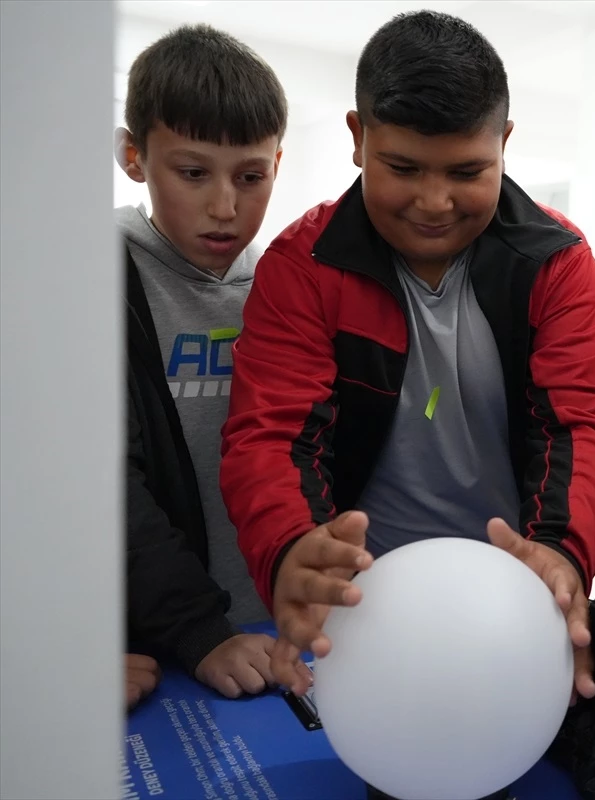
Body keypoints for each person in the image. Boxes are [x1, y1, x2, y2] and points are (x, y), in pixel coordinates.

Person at [220, 11, 595, 709]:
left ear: (505, 143)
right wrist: (291, 549)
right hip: (361, 612)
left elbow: (580, 425)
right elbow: (271, 434)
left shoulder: (558, 263)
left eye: (468, 172)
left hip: (512, 610)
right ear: (357, 138)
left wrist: (562, 549)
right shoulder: (302, 267)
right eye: (403, 168)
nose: (434, 203)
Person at [119, 24, 296, 707]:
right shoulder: (86, 272)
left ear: (278, 162)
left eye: (251, 177)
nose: (225, 207)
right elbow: (91, 482)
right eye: (192, 173)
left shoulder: (286, 285)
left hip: (271, 632)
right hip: (161, 644)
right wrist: (199, 630)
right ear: (134, 156)